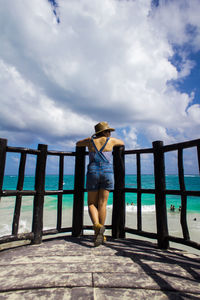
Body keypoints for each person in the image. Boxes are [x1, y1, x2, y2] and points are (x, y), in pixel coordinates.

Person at [76, 121, 124, 247]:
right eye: (108, 131)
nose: (109, 133)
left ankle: (96, 227)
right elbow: (122, 143)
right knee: (102, 204)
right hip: (108, 172)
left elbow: (77, 143)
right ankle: (101, 234)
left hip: (93, 171)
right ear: (104, 132)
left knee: (91, 203)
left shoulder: (89, 141)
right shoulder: (111, 141)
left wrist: (91, 139)